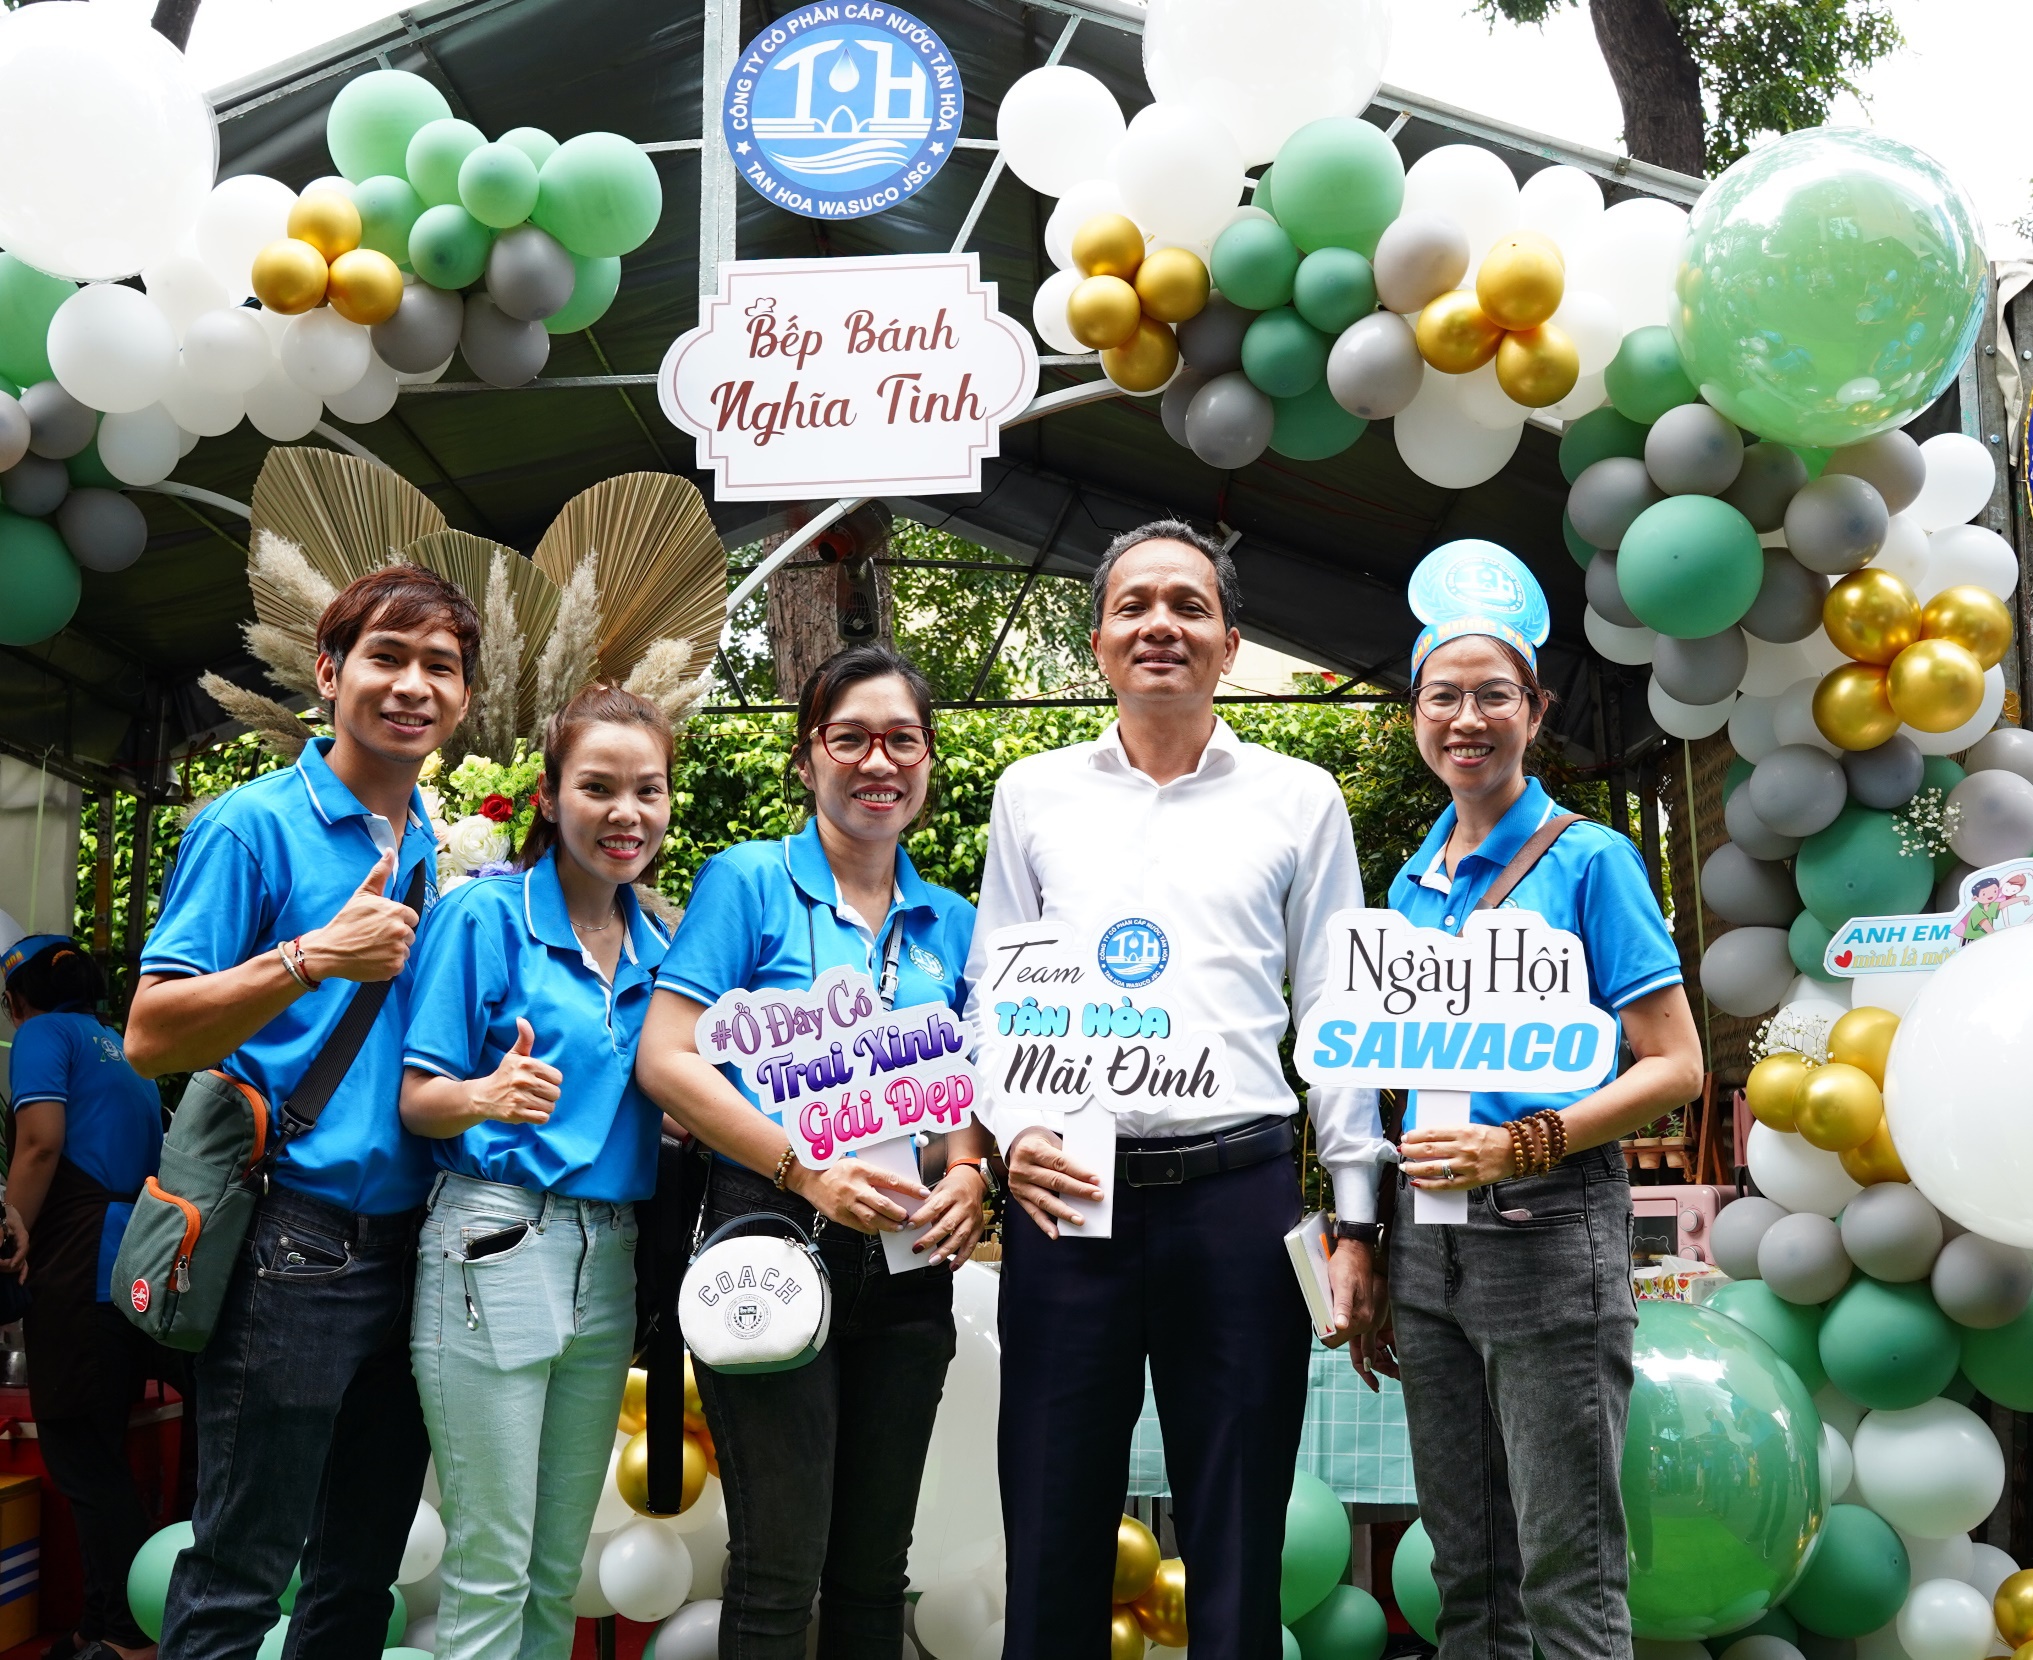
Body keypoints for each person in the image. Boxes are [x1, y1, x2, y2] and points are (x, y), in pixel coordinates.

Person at [967, 521, 1386, 1660]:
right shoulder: (1032, 794)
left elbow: (1339, 1019)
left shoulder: (1299, 798)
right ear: (1098, 640)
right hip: (1069, 1196)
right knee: (1049, 1517)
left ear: (1230, 643)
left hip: (1237, 1198)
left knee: (1237, 1529)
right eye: (1135, 604)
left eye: (1189, 606)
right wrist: (1014, 1129)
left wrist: (1355, 1222)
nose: (1161, 624)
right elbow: (994, 995)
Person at [1352, 540, 1703, 1660]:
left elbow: (1674, 1065)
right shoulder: (1410, 880)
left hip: (1549, 1231)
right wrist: (1372, 1239)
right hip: (1427, 1244)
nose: (1467, 719)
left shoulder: (1591, 861)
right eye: (1442, 696)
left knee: (1567, 1574)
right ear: (1414, 714)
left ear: (1534, 710)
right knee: (1468, 1578)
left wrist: (1522, 1143)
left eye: (1492, 695)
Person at [126, 564, 477, 1660]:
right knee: (241, 1573)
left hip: (419, 1248)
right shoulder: (252, 827)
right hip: (295, 1243)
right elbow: (151, 1033)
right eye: (386, 656)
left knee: (358, 1580)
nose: (412, 685)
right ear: (328, 674)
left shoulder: (438, 843)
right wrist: (309, 956)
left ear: (464, 696)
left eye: (439, 666)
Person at [638, 644, 989, 1660]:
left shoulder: (952, 920)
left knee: (875, 1574)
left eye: (901, 740)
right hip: (771, 1235)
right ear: (806, 758)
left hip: (909, 1261)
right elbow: (666, 1058)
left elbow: (963, 1083)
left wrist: (970, 1169)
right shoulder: (748, 882)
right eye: (850, 738)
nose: (878, 761)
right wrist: (805, 1170)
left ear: (926, 758)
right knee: (777, 1569)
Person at [399, 683, 675, 1660]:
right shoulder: (483, 916)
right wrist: (485, 1094)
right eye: (598, 786)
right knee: (492, 1571)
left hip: (611, 1257)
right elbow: (417, 1098)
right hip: (496, 1238)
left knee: (557, 1572)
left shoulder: (664, 947)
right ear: (550, 797)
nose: (625, 812)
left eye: (647, 789)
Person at [5, 936, 163, 1660]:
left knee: (83, 1460)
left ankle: (130, 1637)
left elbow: (40, 1144)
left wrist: (9, 1229)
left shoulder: (43, 1035)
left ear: (18, 999)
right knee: (103, 1452)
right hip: (133, 1270)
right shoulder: (120, 1045)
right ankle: (98, 1625)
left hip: (78, 1265)